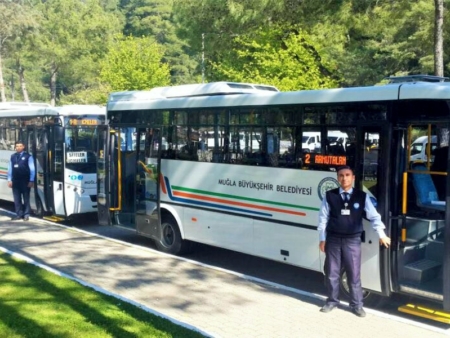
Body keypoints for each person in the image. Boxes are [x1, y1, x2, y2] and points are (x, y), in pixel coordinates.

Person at [318, 165, 391, 317]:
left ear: (353, 178)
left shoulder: (361, 196)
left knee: (354, 273)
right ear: (338, 178)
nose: (344, 178)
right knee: (332, 272)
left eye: (347, 175)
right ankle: (332, 301)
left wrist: (382, 235)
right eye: (341, 175)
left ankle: (357, 305)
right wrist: (322, 239)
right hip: (333, 239)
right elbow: (323, 218)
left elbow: (374, 217)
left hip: (352, 241)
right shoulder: (330, 195)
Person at [7, 140, 36, 221]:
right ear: (15, 147)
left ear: (23, 147)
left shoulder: (28, 156)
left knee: (26, 198)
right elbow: (10, 169)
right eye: (17, 146)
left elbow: (32, 169)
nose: (18, 148)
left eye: (20, 146)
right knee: (17, 199)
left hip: (25, 180)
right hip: (15, 180)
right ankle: (19, 214)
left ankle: (26, 214)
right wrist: (9, 180)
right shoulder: (13, 156)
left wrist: (31, 180)